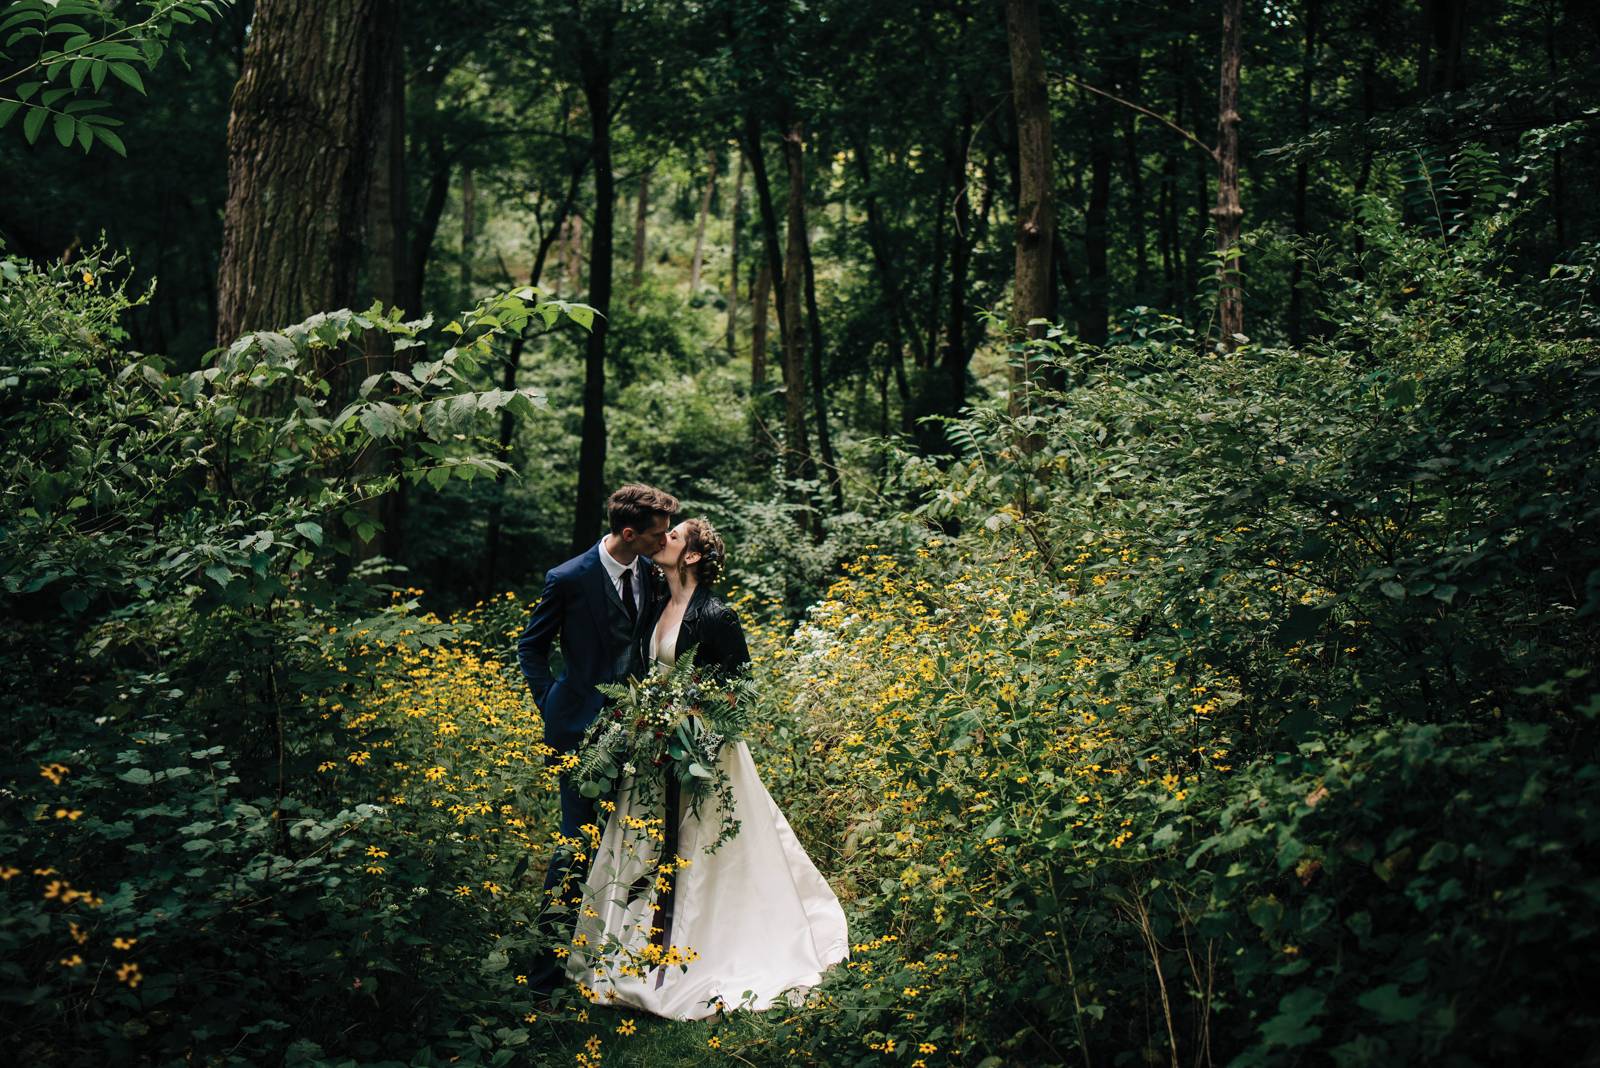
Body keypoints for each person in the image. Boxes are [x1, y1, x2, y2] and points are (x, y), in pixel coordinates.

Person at [566, 518, 849, 1019]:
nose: (662, 540)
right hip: (656, 750)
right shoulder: (657, 602)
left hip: (705, 752)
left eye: (673, 537)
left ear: (693, 556)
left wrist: (692, 712)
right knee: (645, 844)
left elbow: (743, 686)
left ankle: (702, 951)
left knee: (703, 849)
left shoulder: (716, 614)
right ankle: (632, 956)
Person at [518, 483, 679, 993]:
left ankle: (617, 963)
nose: (664, 540)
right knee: (574, 847)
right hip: (578, 736)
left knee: (628, 846)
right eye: (657, 534)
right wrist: (553, 704)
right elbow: (531, 647)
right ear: (629, 533)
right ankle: (544, 976)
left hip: (638, 732)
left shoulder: (653, 576)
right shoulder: (568, 578)